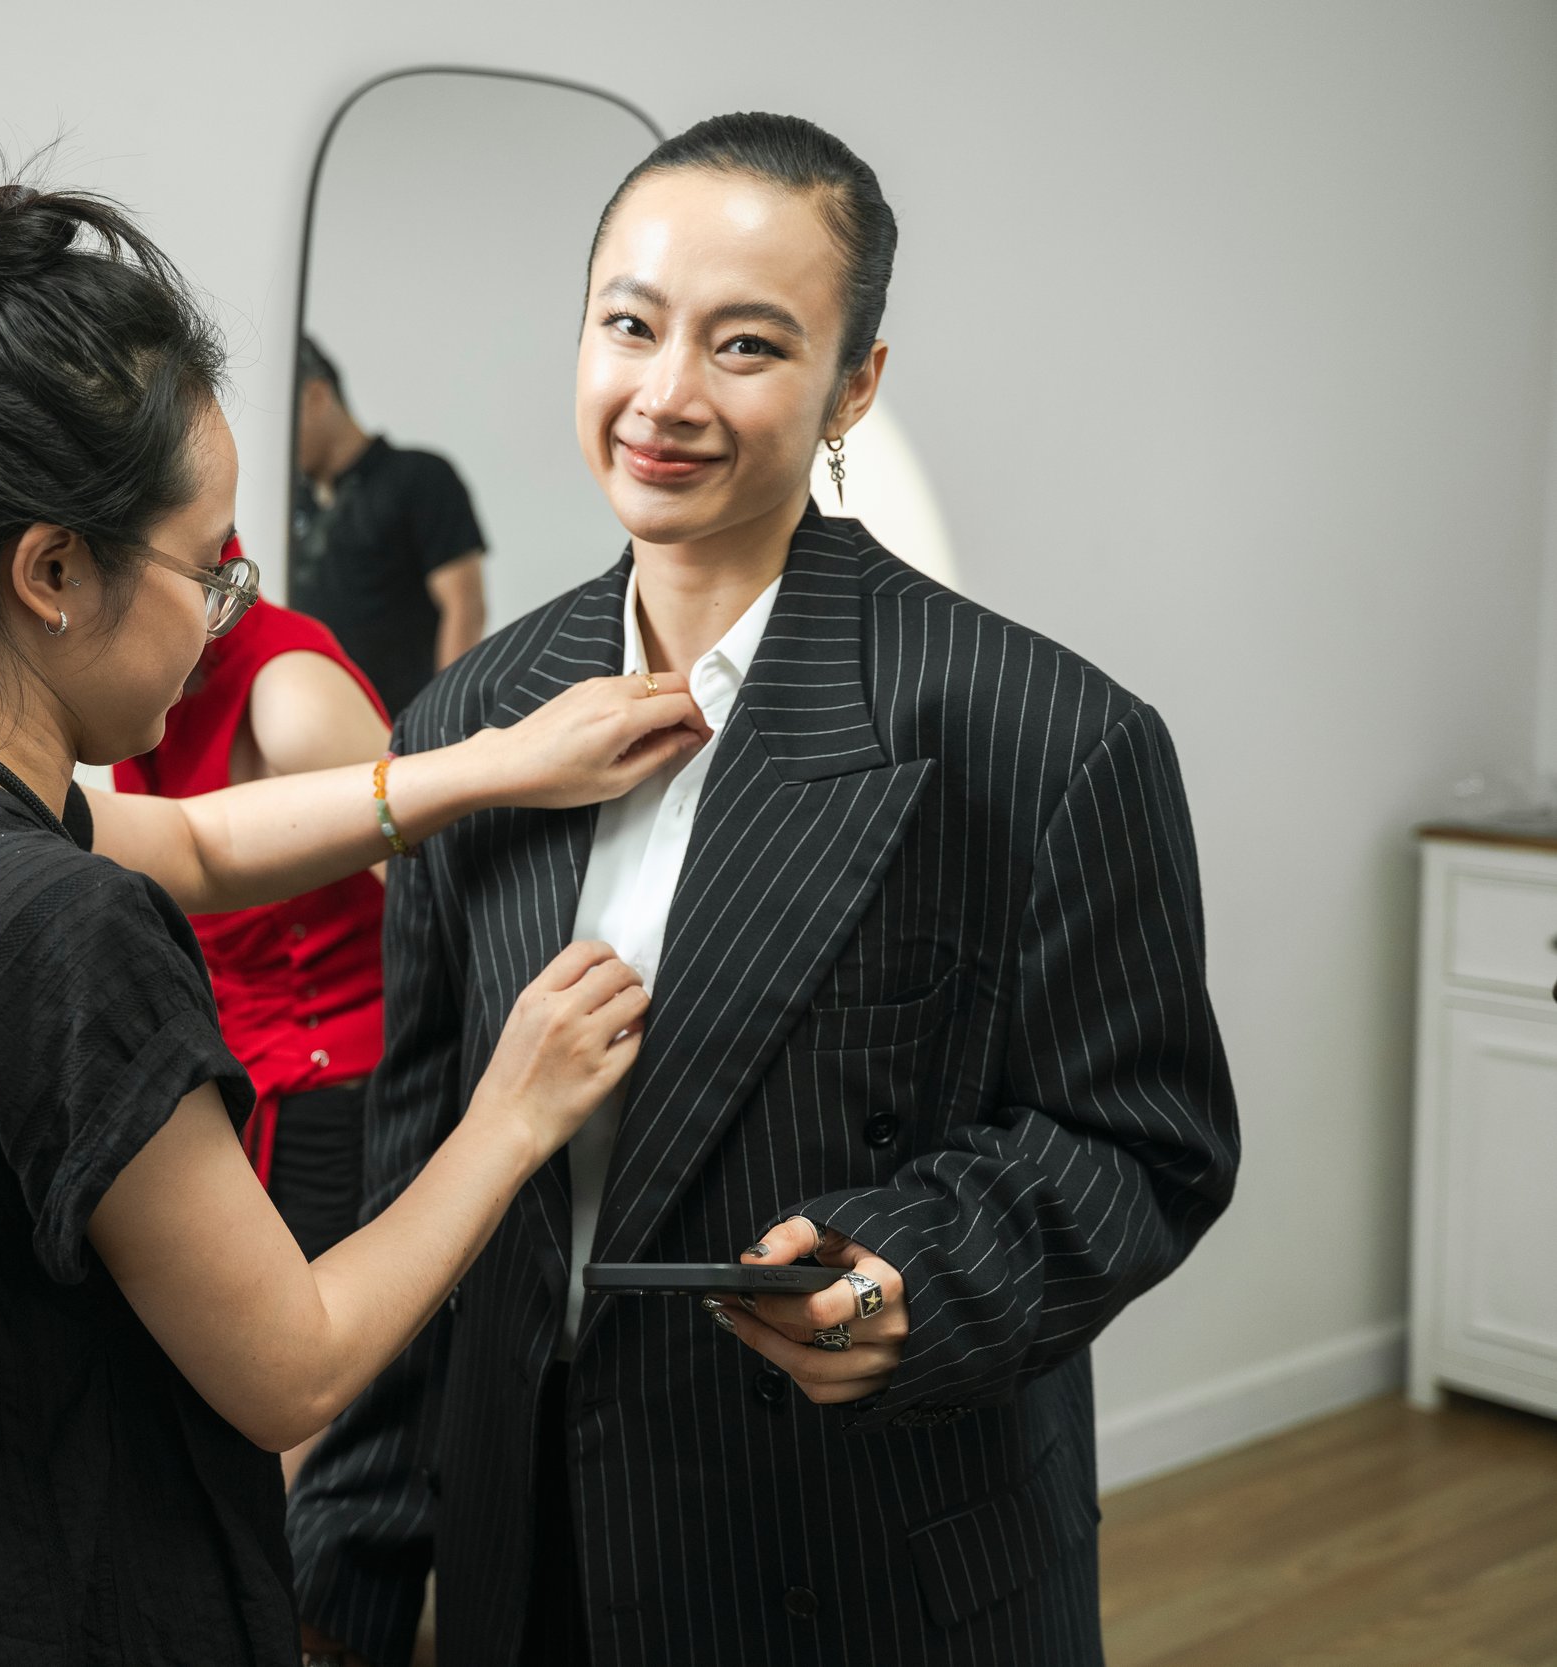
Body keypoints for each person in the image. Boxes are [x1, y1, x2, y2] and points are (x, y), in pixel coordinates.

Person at [0, 158, 717, 1667]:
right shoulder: (56, 935)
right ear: (53, 570)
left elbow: (190, 837)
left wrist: (486, 766)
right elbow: (293, 1365)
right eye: (206, 566)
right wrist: (511, 1113)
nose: (226, 608)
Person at [289, 112, 1241, 1667]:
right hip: (534, 1546)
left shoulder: (1043, 734)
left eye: (746, 344)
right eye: (630, 324)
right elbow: (415, 1181)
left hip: (857, 1551)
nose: (666, 395)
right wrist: (349, 1571)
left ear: (854, 382)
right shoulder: (473, 718)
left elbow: (1145, 1141)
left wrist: (915, 1272)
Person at [111, 570, 391, 1266]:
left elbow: (445, 911)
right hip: (229, 1097)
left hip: (341, 1105)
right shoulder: (131, 689)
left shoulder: (291, 700)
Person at [289, 336, 487, 717]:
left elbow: (465, 606)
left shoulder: (419, 477)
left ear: (316, 396)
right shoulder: (293, 504)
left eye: (282, 419)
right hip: (324, 727)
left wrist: (442, 721)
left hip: (406, 727)